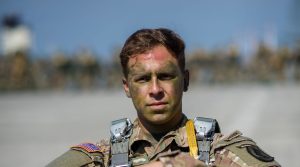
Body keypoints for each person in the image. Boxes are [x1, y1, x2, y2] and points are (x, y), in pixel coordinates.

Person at [46, 28, 280, 167]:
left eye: (166, 76)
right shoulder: (101, 158)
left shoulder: (220, 151)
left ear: (185, 81)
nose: (155, 89)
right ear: (127, 87)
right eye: (143, 79)